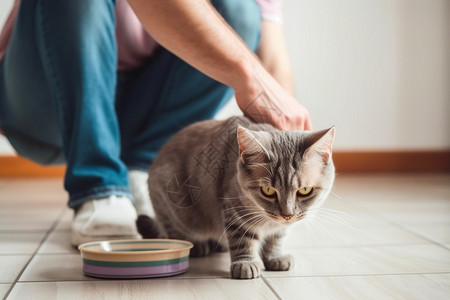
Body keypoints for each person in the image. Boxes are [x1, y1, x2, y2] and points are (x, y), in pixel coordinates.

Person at [0, 0, 312, 246]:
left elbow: (274, 65)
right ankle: (100, 185)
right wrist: (250, 77)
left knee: (241, 10)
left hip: (137, 111)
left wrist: (291, 167)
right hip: (45, 103)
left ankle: (143, 169)